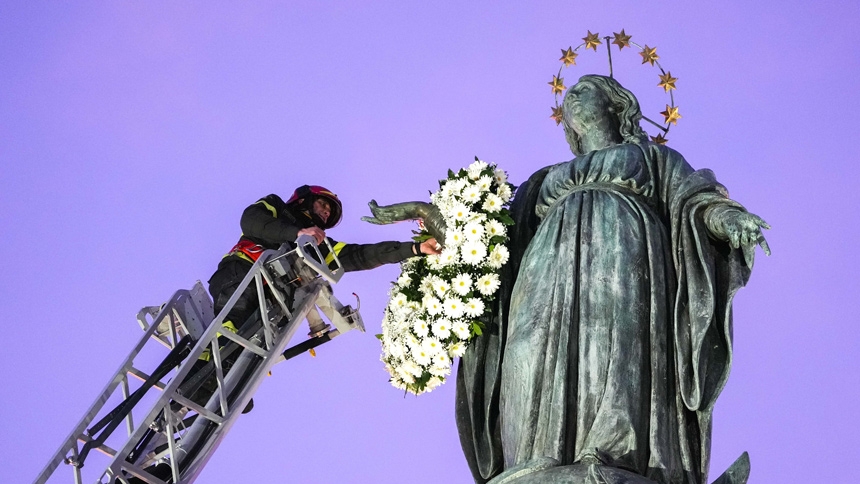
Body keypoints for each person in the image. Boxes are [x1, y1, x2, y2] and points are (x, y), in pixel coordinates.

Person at [455, 75, 768, 484]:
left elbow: (694, 198)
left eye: (585, 89)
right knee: (527, 348)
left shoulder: (652, 157)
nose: (572, 96)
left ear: (616, 106)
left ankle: (609, 455)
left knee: (614, 345)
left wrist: (729, 218)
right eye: (570, 93)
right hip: (544, 265)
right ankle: (532, 457)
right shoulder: (543, 179)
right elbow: (495, 248)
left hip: (624, 250)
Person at [207, 185, 439, 337]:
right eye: (323, 204)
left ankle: (223, 382)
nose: (327, 212)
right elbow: (251, 220)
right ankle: (213, 356)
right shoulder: (275, 206)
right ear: (305, 200)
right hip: (241, 273)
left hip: (272, 299)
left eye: (330, 211)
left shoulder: (317, 248)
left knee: (257, 340)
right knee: (231, 320)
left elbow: (362, 255)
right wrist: (296, 233)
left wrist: (415, 248)